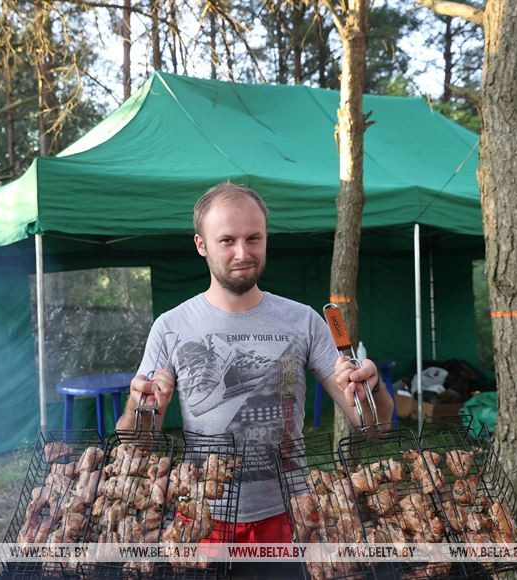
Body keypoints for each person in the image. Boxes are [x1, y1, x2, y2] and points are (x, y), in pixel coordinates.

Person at [115, 182, 394, 542]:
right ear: (201, 245)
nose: (242, 252)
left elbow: (374, 428)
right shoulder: (171, 327)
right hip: (204, 515)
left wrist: (372, 388)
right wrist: (140, 404)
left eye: (254, 238)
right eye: (227, 240)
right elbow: (135, 447)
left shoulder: (304, 320)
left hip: (290, 514)